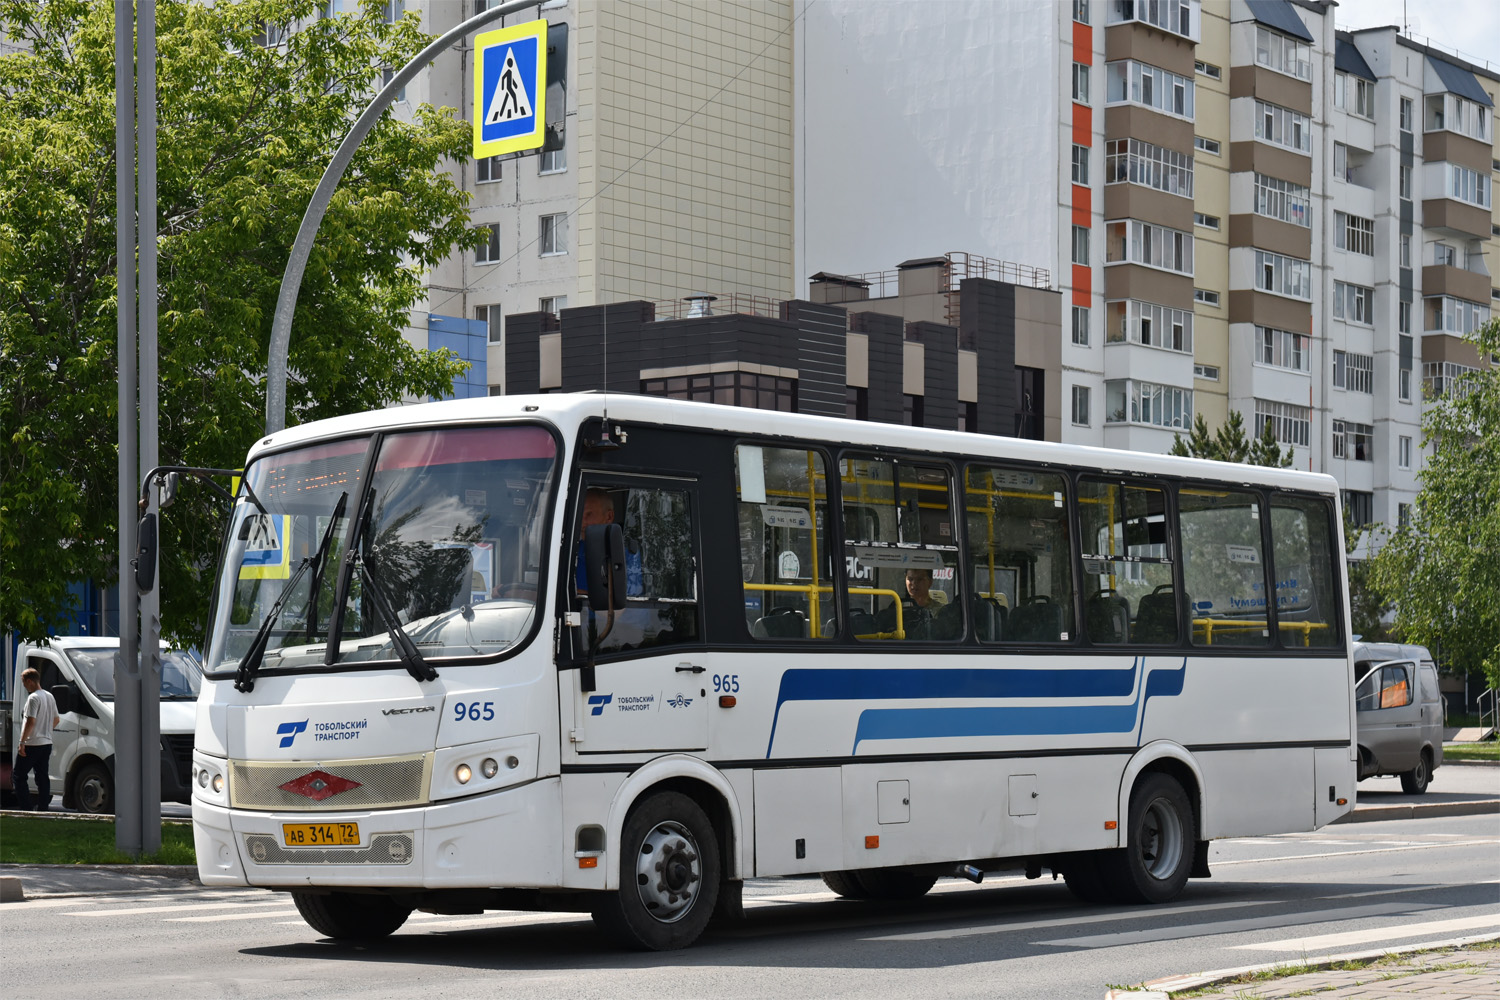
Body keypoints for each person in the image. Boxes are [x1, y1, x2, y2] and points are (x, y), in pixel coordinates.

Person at [13, 666, 61, 812]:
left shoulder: (33, 698)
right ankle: (43, 807)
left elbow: (30, 721)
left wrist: (22, 742)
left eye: (24, 683)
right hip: (46, 742)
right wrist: (45, 731)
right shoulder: (49, 696)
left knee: (19, 776)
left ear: (29, 681)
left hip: (32, 743)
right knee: (42, 777)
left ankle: (26, 807)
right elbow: (57, 719)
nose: (25, 687)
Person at [876, 567, 960, 640]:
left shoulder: (940, 610)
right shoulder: (897, 607)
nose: (914, 583)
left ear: (930, 582)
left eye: (919, 579)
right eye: (910, 579)